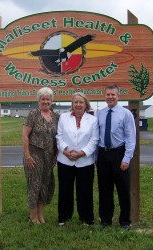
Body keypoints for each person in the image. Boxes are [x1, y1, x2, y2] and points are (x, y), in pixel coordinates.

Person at [56, 92, 99, 226]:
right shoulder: (63, 117)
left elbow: (94, 140)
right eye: (76, 102)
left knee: (85, 191)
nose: (78, 105)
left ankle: (86, 218)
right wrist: (66, 151)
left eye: (81, 102)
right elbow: (59, 137)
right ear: (72, 105)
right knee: (65, 190)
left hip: (85, 161)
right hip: (65, 160)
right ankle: (64, 217)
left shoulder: (92, 120)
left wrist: (82, 153)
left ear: (86, 104)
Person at [97, 84, 136, 230]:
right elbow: (97, 136)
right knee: (104, 189)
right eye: (108, 94)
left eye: (113, 94)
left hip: (119, 154)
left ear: (118, 96)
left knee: (123, 190)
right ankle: (105, 219)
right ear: (104, 96)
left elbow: (131, 138)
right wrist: (96, 156)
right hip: (103, 154)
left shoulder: (126, 114)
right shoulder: (100, 114)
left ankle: (125, 221)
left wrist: (126, 158)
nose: (110, 97)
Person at [22, 87, 59, 225]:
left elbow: (58, 137)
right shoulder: (33, 114)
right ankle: (33, 217)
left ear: (51, 101)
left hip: (49, 157)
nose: (45, 101)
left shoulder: (56, 116)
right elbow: (25, 135)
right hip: (34, 155)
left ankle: (40, 215)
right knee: (34, 185)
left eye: (48, 99)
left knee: (45, 185)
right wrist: (27, 156)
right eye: (43, 99)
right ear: (39, 100)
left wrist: (56, 155)